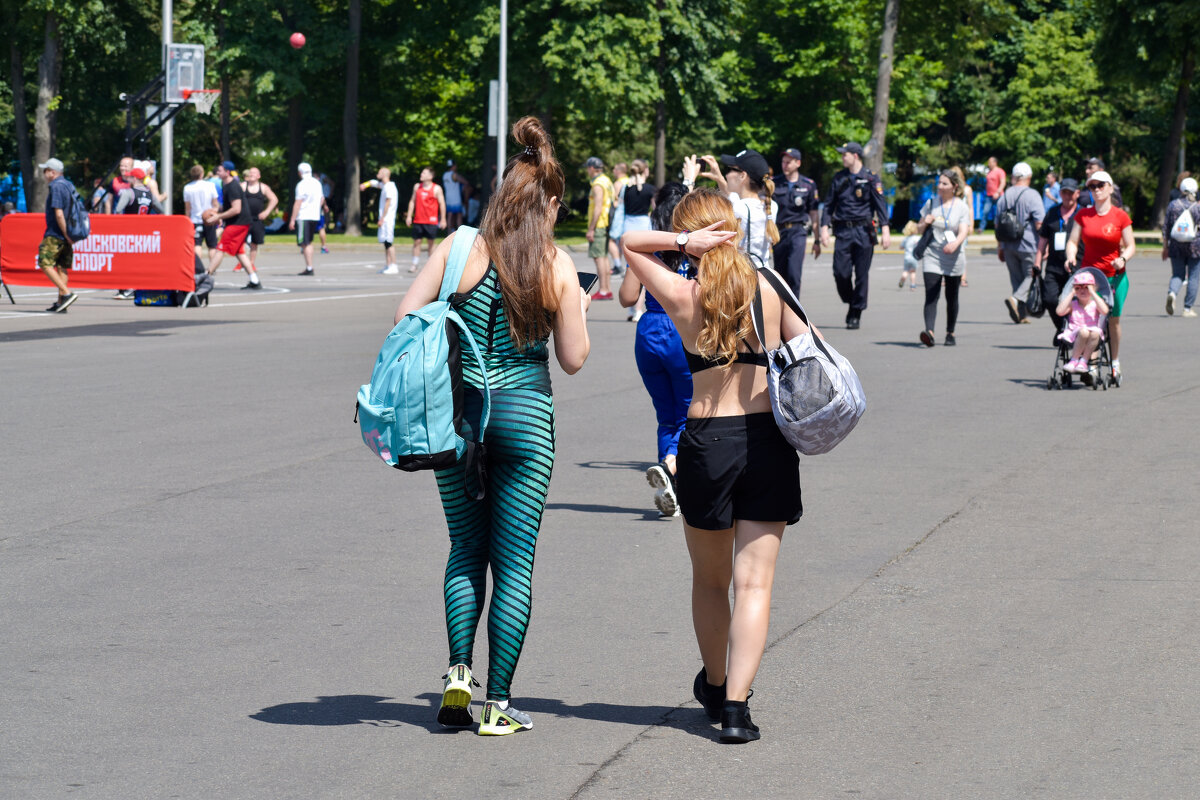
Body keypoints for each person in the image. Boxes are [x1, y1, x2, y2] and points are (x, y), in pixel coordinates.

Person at [394, 116, 590, 736]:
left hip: (458, 420)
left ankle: (457, 674)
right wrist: (575, 302)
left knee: (464, 549)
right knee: (515, 563)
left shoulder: (458, 248)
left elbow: (406, 317)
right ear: (551, 203)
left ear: (503, 196)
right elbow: (574, 359)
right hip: (526, 419)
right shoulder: (556, 265)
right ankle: (498, 705)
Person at [623, 187, 806, 744]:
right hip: (768, 439)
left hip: (705, 439)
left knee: (710, 581)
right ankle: (735, 709)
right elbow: (809, 345)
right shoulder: (770, 286)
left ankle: (716, 681)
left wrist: (682, 242)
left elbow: (629, 243)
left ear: (696, 238)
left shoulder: (683, 293)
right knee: (756, 586)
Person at [617, 181, 692, 517]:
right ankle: (674, 468)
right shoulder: (696, 248)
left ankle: (669, 481)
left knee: (667, 416)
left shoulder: (647, 249)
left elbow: (627, 298)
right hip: (683, 331)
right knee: (693, 412)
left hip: (649, 333)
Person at [1066, 169, 1134, 379]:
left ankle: (1114, 362)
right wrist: (1071, 257)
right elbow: (1072, 241)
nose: (1096, 190)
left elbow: (1131, 245)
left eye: (1100, 185)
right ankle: (1091, 363)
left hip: (1115, 276)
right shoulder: (1083, 215)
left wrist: (1122, 259)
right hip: (1089, 278)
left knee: (1112, 319)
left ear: (1110, 188)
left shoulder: (1120, 216)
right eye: (1092, 186)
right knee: (1091, 320)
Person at [819, 142, 891, 329]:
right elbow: (828, 205)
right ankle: (852, 301)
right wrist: (824, 227)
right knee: (840, 273)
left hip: (864, 231)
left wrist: (885, 228)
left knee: (861, 274)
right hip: (843, 231)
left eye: (845, 154)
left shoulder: (870, 178)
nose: (843, 157)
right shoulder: (839, 178)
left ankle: (856, 312)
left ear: (856, 156)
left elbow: (880, 204)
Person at [699, 149, 778, 270]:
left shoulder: (739, 208)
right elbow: (734, 197)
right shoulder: (771, 206)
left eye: (731, 169)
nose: (727, 174)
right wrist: (719, 179)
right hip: (764, 273)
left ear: (742, 175)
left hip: (744, 276)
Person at [917, 170, 971, 347]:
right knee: (931, 295)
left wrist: (955, 244)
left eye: (944, 183)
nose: (940, 186)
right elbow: (919, 228)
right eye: (939, 183)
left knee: (951, 296)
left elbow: (964, 230)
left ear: (954, 187)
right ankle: (929, 332)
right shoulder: (931, 203)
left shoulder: (961, 206)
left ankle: (950, 332)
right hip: (932, 254)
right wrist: (926, 221)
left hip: (953, 256)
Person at [995, 161, 1044, 324]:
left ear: (1014, 177)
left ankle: (1020, 314)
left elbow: (997, 224)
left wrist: (1000, 247)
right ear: (1029, 177)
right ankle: (1015, 300)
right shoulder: (1033, 195)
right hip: (1029, 243)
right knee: (1032, 274)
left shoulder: (1004, 196)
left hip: (1008, 244)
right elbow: (1039, 223)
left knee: (1016, 278)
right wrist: (1045, 245)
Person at [1034, 177, 1082, 337]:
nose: (1067, 196)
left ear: (1077, 193)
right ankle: (1062, 328)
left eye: (1070, 193)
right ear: (1060, 193)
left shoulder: (1082, 213)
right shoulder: (1053, 213)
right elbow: (1042, 240)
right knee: (1050, 300)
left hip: (1077, 267)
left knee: (1075, 302)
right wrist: (1037, 263)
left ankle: (1070, 331)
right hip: (1054, 266)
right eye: (1064, 193)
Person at [770, 148, 820, 296]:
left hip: (798, 231)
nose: (785, 165)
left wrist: (817, 240)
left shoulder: (808, 185)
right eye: (783, 162)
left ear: (798, 163)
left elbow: (814, 213)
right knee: (779, 274)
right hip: (779, 232)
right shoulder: (774, 183)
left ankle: (795, 312)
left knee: (794, 274)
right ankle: (780, 310)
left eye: (788, 162)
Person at [206, 160, 261, 288]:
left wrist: (219, 216)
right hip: (237, 222)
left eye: (220, 170)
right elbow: (227, 206)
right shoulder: (225, 185)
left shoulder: (233, 187)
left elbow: (236, 209)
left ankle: (206, 275)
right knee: (239, 252)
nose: (217, 172)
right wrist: (216, 210)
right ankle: (254, 280)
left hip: (239, 223)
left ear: (227, 172)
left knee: (220, 248)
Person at [37, 158, 79, 313]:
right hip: (69, 233)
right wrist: (70, 234)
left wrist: (65, 233)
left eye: (45, 171)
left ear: (52, 172)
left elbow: (59, 213)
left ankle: (66, 293)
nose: (44, 174)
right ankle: (61, 302)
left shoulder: (55, 186)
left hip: (56, 233)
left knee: (45, 262)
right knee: (62, 267)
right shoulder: (69, 185)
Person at [620, 159, 655, 320]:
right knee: (644, 270)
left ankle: (630, 309)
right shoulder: (650, 189)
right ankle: (638, 308)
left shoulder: (625, 188)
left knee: (630, 268)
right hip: (644, 228)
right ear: (645, 171)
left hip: (628, 227)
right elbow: (655, 210)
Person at [1162, 176, 1200, 318]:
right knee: (1194, 277)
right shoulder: (1197, 207)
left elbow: (1166, 227)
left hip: (1176, 245)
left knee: (1178, 274)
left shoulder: (1173, 205)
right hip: (1195, 246)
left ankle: (1172, 293)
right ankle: (1187, 308)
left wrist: (1165, 246)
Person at [1055, 271, 1108, 373]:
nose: (1082, 291)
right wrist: (1071, 293)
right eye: (1078, 288)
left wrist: (1093, 292)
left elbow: (1105, 311)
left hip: (1092, 334)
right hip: (1074, 334)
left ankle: (1083, 361)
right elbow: (1059, 312)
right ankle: (1074, 360)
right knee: (1083, 331)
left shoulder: (1094, 304)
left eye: (1086, 288)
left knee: (1096, 333)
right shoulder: (1073, 304)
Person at [403, 167, 446, 273]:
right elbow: (412, 201)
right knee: (417, 242)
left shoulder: (436, 188)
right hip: (418, 220)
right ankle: (414, 264)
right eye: (421, 172)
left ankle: (430, 265)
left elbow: (442, 204)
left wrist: (443, 219)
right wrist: (409, 216)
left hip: (431, 221)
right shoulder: (417, 187)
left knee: (431, 243)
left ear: (430, 176)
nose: (421, 174)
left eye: (424, 173)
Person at [584, 156, 615, 299]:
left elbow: (597, 207)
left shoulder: (597, 184)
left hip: (599, 225)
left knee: (599, 258)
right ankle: (606, 288)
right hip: (606, 223)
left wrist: (591, 228)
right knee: (604, 257)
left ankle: (603, 290)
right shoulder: (607, 181)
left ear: (591, 168)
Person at [360, 167, 399, 274]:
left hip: (388, 219)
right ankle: (388, 265)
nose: (377, 174)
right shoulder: (386, 186)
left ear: (384, 174)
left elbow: (388, 202)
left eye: (379, 172)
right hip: (385, 219)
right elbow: (373, 183)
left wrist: (382, 218)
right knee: (385, 243)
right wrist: (365, 185)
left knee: (389, 242)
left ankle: (394, 265)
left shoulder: (389, 187)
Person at [242, 167, 279, 271]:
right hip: (244, 219)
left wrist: (267, 212)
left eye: (254, 173)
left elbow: (274, 199)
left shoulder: (263, 187)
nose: (252, 174)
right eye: (250, 173)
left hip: (257, 219)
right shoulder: (242, 186)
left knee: (255, 242)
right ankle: (242, 262)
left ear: (259, 176)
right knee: (241, 242)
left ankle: (251, 263)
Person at [290, 162, 323, 276]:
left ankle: (309, 267)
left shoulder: (301, 184)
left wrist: (292, 219)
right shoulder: (317, 183)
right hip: (314, 215)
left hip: (304, 215)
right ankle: (309, 266)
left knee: (305, 243)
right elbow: (321, 199)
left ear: (300, 172)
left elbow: (298, 203)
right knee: (308, 241)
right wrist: (316, 209)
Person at [183, 163, 220, 261]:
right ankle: (212, 268)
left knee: (197, 244)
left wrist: (188, 220)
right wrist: (215, 214)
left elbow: (188, 208)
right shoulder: (210, 185)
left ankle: (198, 268)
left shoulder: (187, 188)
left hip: (195, 219)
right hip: (209, 219)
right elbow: (215, 204)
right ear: (202, 174)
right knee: (212, 245)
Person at [950, 165, 974, 288]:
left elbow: (970, 207)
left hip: (962, 223)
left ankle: (962, 277)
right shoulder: (950, 190)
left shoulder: (966, 190)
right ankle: (950, 276)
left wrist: (971, 224)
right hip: (950, 223)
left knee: (961, 250)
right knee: (951, 249)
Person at [608, 162, 629, 276]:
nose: (613, 172)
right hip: (629, 214)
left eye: (614, 170)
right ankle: (624, 265)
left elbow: (615, 201)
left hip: (619, 213)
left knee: (611, 241)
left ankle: (617, 265)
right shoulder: (629, 180)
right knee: (622, 241)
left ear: (619, 171)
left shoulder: (618, 183)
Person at [442, 160, 472, 232]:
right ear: (454, 166)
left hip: (448, 197)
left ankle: (449, 231)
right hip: (455, 197)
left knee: (450, 215)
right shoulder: (454, 175)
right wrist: (463, 188)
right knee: (459, 215)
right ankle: (459, 232)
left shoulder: (444, 175)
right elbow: (466, 182)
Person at [981, 156, 1006, 231]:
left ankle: (998, 228)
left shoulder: (1000, 171)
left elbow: (1003, 183)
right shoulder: (989, 172)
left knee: (998, 212)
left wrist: (997, 192)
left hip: (998, 195)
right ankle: (981, 228)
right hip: (989, 196)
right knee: (985, 212)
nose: (988, 164)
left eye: (990, 162)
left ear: (995, 163)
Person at [899, 220, 920, 291]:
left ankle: (902, 280)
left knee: (905, 271)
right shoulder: (917, 238)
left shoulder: (906, 239)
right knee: (913, 272)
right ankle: (913, 285)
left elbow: (901, 247)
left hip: (907, 257)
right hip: (914, 257)